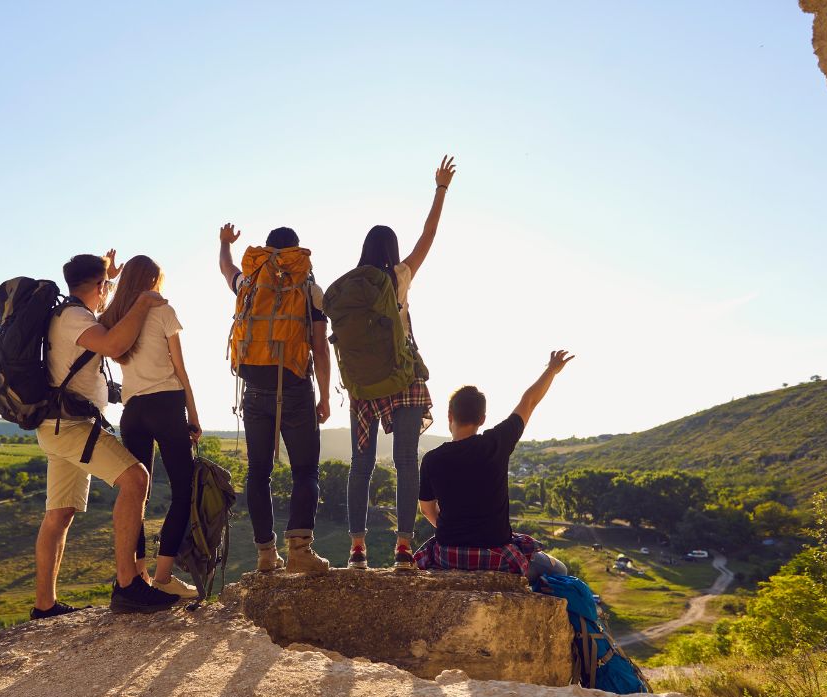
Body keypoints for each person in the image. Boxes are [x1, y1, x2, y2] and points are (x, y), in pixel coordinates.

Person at [31, 250, 181, 618]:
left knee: (59, 514)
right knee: (135, 479)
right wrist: (145, 300)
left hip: (56, 426)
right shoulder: (74, 318)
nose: (107, 292)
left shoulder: (67, 314)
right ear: (97, 286)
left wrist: (111, 279)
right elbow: (115, 343)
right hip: (72, 427)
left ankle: (44, 606)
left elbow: (107, 318)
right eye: (105, 287)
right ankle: (129, 585)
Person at [344, 155, 456, 572]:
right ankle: (404, 549)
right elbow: (429, 235)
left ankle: (357, 549)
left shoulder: (350, 287)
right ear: (391, 251)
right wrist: (440, 188)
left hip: (361, 385)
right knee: (406, 460)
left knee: (362, 464)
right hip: (402, 379)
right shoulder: (400, 276)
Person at [219, 223, 332, 574]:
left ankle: (266, 555)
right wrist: (325, 396)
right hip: (296, 387)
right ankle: (299, 550)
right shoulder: (309, 287)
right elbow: (319, 345)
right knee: (305, 470)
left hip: (254, 390)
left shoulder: (250, 283)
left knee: (258, 472)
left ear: (267, 251)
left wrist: (224, 243)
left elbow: (227, 270)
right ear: (296, 251)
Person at [414, 350, 575, 581]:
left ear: (450, 415)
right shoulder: (496, 443)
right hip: (496, 556)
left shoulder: (432, 458)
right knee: (559, 570)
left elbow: (427, 509)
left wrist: (459, 531)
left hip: (448, 555)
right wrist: (551, 370)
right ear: (482, 419)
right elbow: (529, 401)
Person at [99, 254, 201, 600]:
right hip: (167, 405)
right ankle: (164, 576)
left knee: (135, 495)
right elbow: (181, 370)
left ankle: (139, 575)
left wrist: (110, 278)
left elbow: (102, 307)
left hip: (133, 411)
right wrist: (194, 415)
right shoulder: (163, 312)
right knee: (184, 490)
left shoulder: (116, 319)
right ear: (153, 282)